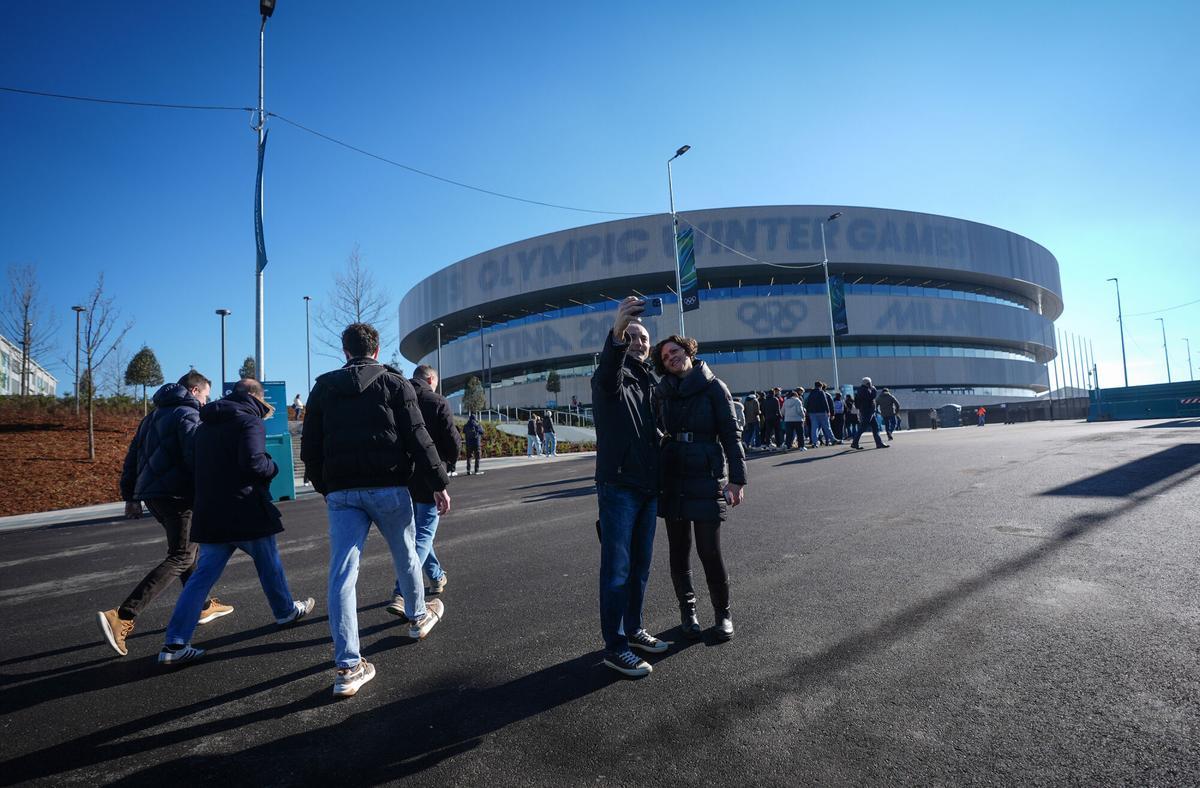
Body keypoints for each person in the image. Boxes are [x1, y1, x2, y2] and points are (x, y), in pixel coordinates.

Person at [301, 322, 451, 699]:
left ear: (345, 351)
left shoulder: (323, 388)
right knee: (406, 554)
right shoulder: (395, 383)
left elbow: (310, 448)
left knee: (342, 574)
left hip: (342, 492)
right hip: (389, 486)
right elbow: (418, 437)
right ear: (377, 350)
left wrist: (325, 487)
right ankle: (418, 617)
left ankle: (348, 666)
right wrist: (438, 483)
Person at [158, 378, 315, 666]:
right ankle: (285, 611)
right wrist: (273, 466)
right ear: (256, 397)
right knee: (269, 564)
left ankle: (175, 643)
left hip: (210, 511)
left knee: (200, 579)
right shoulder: (249, 421)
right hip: (245, 508)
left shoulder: (205, 424)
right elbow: (254, 462)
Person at [98, 371, 231, 657]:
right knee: (181, 555)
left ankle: (202, 605)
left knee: (188, 552)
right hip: (178, 494)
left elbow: (132, 459)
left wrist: (130, 497)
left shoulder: (151, 417)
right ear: (194, 390)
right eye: (206, 395)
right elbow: (197, 457)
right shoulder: (188, 414)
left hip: (154, 495)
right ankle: (122, 615)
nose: (206, 401)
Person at [654, 334, 747, 642]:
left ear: (688, 351)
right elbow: (651, 429)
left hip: (706, 476)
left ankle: (723, 614)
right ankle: (688, 611)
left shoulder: (714, 387)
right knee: (678, 550)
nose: (671, 357)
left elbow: (731, 435)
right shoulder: (662, 392)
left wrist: (737, 479)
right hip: (672, 475)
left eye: (675, 351)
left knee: (709, 550)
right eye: (665, 357)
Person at [592, 297, 667, 678]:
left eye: (643, 339)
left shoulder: (650, 382)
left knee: (640, 567)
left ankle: (634, 629)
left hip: (647, 487)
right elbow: (610, 370)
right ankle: (616, 645)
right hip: (619, 485)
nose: (638, 343)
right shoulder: (610, 377)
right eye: (632, 337)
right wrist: (617, 332)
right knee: (617, 570)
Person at [385, 365, 461, 616]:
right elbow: (452, 439)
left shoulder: (396, 397)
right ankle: (402, 591)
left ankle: (437, 576)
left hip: (402, 475)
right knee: (424, 534)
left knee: (419, 533)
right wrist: (448, 463)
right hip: (429, 474)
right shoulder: (436, 401)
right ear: (430, 379)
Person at [851, 376, 889, 450]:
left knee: (875, 427)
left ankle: (879, 443)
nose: (871, 384)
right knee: (863, 428)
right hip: (867, 412)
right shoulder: (865, 390)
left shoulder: (861, 390)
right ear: (868, 383)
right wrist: (874, 390)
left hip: (868, 411)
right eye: (870, 383)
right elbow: (871, 397)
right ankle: (854, 443)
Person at [805, 381, 837, 447]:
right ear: (821, 386)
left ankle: (815, 442)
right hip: (822, 412)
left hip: (812, 413)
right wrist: (828, 411)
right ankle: (832, 440)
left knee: (814, 428)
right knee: (827, 427)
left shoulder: (811, 393)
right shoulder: (821, 392)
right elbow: (825, 402)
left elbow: (808, 402)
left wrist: (808, 412)